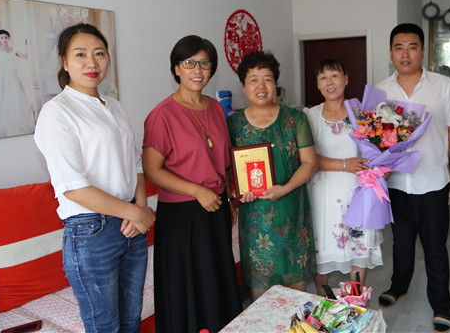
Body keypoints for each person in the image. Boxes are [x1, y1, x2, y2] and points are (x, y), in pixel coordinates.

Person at [34, 23, 155, 332]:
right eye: (80, 54)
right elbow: (73, 188)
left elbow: (135, 162)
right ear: (64, 61)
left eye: (99, 53)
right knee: (105, 327)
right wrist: (136, 213)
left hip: (130, 224)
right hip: (91, 231)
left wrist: (140, 208)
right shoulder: (56, 112)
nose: (92, 62)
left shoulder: (114, 105)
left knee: (131, 321)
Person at [142, 35, 242, 332]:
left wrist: (229, 199)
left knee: (217, 281)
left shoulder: (216, 109)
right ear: (176, 69)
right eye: (189, 63)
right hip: (182, 216)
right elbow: (151, 170)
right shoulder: (162, 115)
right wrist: (197, 190)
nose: (197, 70)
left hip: (216, 207)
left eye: (204, 63)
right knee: (190, 288)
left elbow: (223, 162)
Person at [375, 23, 450, 333]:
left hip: (432, 184)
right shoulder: (380, 90)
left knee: (435, 248)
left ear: (422, 51)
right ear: (390, 53)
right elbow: (375, 137)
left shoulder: (443, 86)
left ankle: (441, 304)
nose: (405, 54)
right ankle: (398, 286)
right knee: (400, 244)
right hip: (397, 184)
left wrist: (439, 156)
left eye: (412, 47)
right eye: (399, 47)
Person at [227, 50, 318, 302]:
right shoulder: (233, 124)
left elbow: (310, 163)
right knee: (260, 286)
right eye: (253, 79)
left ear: (275, 83)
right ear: (244, 86)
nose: (261, 86)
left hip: (291, 211)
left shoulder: (295, 119)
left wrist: (285, 188)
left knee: (296, 286)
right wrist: (236, 190)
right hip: (255, 219)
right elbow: (228, 168)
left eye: (267, 79)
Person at [303, 57, 383, 297]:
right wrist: (346, 164)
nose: (330, 82)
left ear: (346, 79)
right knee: (323, 251)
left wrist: (380, 166)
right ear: (317, 84)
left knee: (358, 249)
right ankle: (324, 302)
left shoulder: (362, 115)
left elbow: (376, 153)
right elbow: (307, 158)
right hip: (322, 196)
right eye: (323, 77)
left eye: (335, 76)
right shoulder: (310, 116)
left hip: (357, 195)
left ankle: (356, 302)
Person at [0, 29, 35, 140]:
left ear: (9, 38)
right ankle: (3, 124)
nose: (4, 40)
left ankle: (16, 123)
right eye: (2, 38)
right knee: (3, 98)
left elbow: (25, 56)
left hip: (13, 76)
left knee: (15, 98)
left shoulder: (13, 49)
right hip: (3, 76)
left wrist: (27, 46)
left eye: (6, 37)